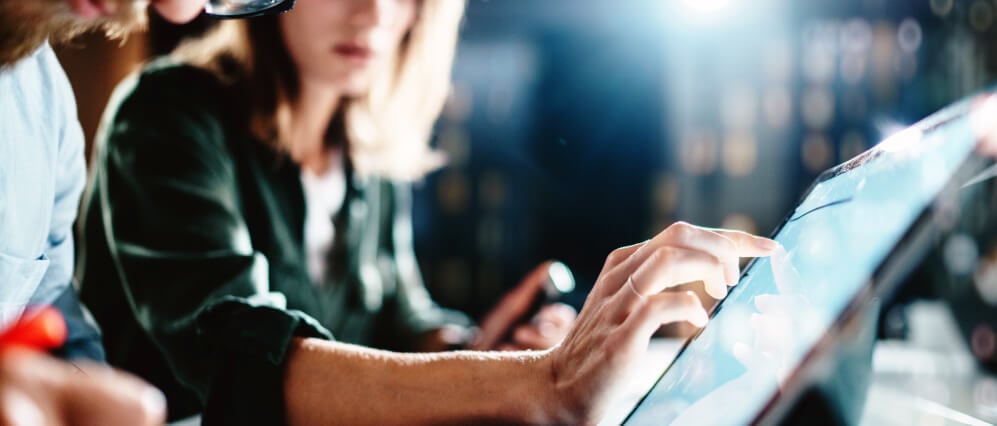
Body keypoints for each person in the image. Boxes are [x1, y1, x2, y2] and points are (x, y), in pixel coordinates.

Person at [75, 0, 782, 423]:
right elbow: (236, 358)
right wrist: (540, 380)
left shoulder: (362, 154)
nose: (374, 14)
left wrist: (482, 349)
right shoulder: (167, 116)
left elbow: (400, 321)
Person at [0, 0, 221, 424]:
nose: (178, 9)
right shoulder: (165, 116)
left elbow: (54, 321)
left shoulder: (45, 108)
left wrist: (83, 391)